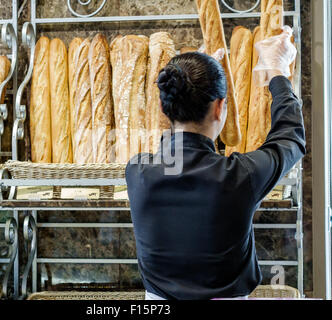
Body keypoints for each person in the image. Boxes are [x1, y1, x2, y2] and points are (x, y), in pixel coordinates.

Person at [125, 28, 305, 300]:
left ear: (164, 109)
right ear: (220, 108)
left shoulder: (137, 171)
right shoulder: (241, 176)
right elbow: (291, 137)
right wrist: (277, 69)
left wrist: (189, 84)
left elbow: (174, 152)